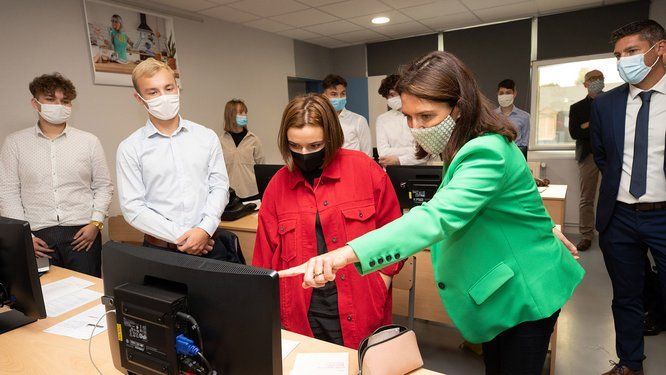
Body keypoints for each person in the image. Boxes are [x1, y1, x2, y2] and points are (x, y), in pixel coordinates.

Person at [280, 52, 584, 374]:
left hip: (526, 291)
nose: (416, 127)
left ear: (460, 106)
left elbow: (437, 217)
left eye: (425, 116)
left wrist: (345, 253)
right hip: (503, 290)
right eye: (410, 117)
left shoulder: (486, 150)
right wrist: (540, 225)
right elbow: (507, 202)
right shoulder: (467, 146)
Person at [252, 94, 403, 349]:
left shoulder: (366, 170)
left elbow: (396, 235)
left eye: (314, 146)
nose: (303, 154)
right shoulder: (278, 185)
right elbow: (263, 260)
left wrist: (382, 280)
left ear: (331, 138)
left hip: (360, 303)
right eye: (295, 146)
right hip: (301, 312)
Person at [590, 20, 666, 375]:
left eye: (632, 52)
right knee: (627, 296)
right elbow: (604, 157)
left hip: (663, 215)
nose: (623, 61)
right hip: (619, 215)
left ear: (659, 49)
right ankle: (630, 364)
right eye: (618, 55)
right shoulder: (606, 104)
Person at [0, 73, 113, 277]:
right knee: (45, 300)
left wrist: (96, 223)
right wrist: (23, 236)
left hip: (83, 234)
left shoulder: (89, 141)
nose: (59, 105)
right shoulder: (15, 143)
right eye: (51, 99)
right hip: (37, 237)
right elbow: (8, 191)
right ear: (35, 103)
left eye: (65, 101)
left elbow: (103, 186)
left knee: (87, 294)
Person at [116, 58, 230, 259]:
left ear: (177, 88)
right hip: (160, 251)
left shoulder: (206, 137)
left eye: (169, 88)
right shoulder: (130, 148)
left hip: (209, 244)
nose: (164, 96)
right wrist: (185, 237)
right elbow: (133, 207)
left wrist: (204, 229)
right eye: (153, 92)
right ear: (139, 98)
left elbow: (219, 186)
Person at [569, 70, 605, 252]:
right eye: (592, 79)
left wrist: (587, 124)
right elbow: (576, 133)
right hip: (587, 155)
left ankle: (610, 232)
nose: (597, 82)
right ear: (585, 84)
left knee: (613, 195)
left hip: (610, 154)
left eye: (600, 78)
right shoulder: (577, 108)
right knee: (587, 198)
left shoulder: (612, 101)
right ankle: (586, 235)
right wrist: (596, 124)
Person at [375, 74, 434, 167]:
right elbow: (383, 154)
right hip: (392, 172)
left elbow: (427, 153)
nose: (390, 99)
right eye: (387, 97)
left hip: (420, 171)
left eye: (392, 95)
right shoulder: (382, 119)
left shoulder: (421, 115)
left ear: (403, 91)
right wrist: (412, 150)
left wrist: (399, 160)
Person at [220, 99, 265, 201]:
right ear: (230, 115)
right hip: (229, 195)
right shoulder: (220, 141)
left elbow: (261, 168)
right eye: (241, 112)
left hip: (252, 194)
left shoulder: (254, 140)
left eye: (245, 112)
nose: (244, 115)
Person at [321, 74, 372, 157]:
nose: (339, 98)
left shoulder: (358, 120)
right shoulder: (320, 120)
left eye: (343, 94)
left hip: (353, 168)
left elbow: (367, 154)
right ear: (324, 96)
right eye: (334, 94)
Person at [496, 79, 530, 159]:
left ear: (514, 94)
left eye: (508, 93)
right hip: (497, 156)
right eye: (501, 93)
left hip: (516, 157)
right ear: (497, 94)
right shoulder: (492, 116)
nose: (504, 95)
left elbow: (525, 143)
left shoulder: (524, 117)